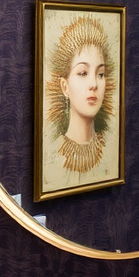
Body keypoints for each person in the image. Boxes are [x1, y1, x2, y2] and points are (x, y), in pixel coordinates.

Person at [45, 13, 115, 176]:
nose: (94, 84)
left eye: (101, 74)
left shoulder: (110, 149)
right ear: (65, 86)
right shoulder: (53, 154)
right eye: (83, 73)